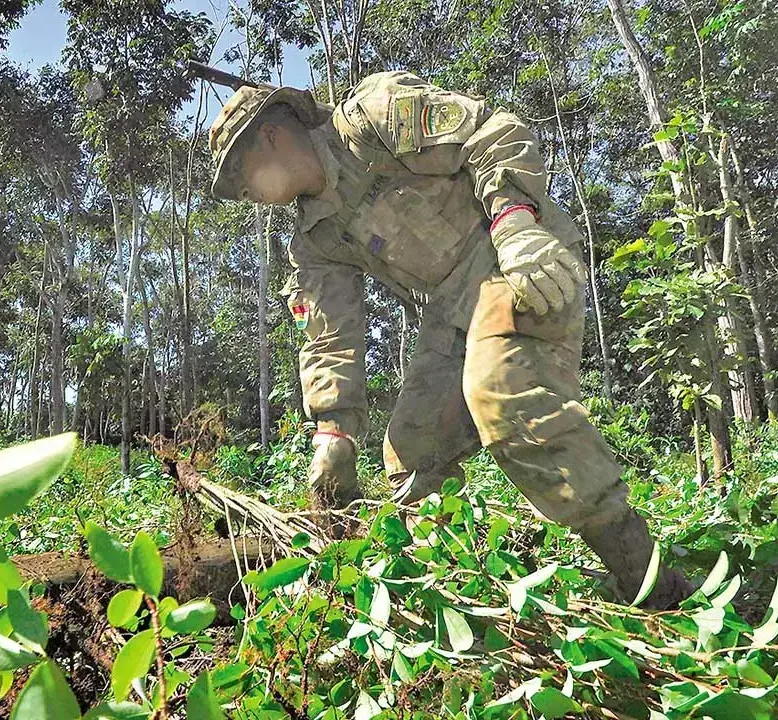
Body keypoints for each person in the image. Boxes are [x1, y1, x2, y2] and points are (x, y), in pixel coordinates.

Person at [207, 71, 694, 609]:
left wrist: (516, 225)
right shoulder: (314, 238)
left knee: (503, 397)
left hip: (516, 262)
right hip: (453, 311)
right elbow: (329, 333)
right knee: (414, 447)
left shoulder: (374, 115)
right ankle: (443, 595)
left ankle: (653, 586)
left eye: (241, 175)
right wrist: (332, 429)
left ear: (271, 135)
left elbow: (493, 132)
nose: (245, 195)